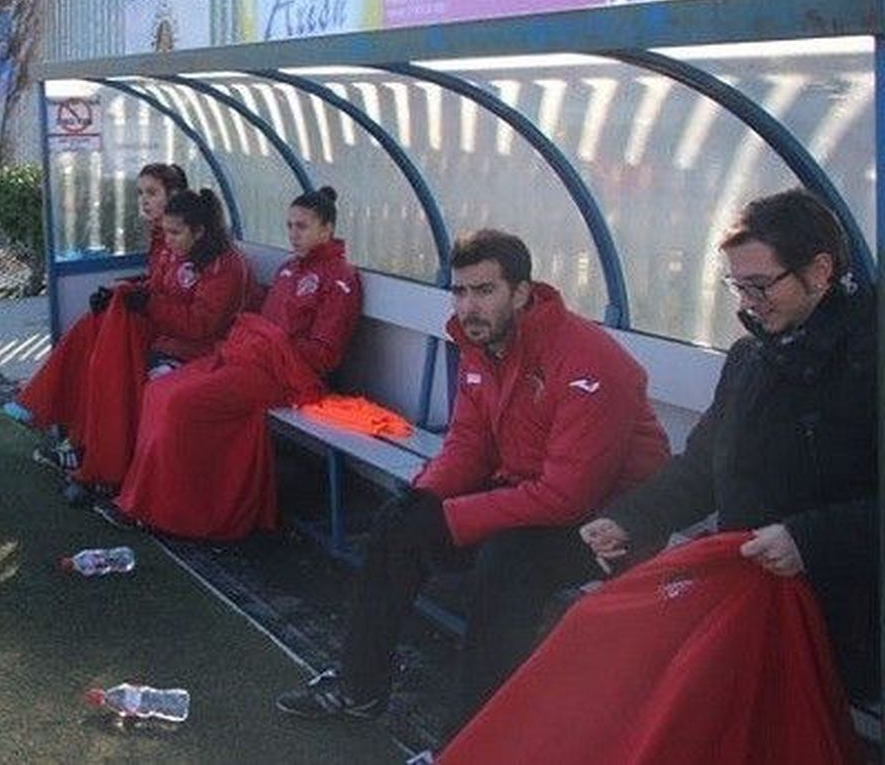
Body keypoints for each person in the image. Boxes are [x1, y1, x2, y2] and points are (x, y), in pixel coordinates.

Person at [277, 228, 669, 733]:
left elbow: (569, 497)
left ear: (523, 293)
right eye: (460, 291)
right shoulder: (483, 346)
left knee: (508, 561)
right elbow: (469, 442)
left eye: (484, 291)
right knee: (401, 521)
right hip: (527, 498)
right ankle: (359, 689)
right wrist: (426, 495)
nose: (468, 307)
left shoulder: (588, 362)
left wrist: (456, 516)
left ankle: (473, 736)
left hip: (613, 524)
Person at [582, 188, 878, 701]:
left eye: (761, 285)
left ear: (821, 271)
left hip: (845, 609)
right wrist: (631, 518)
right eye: (738, 287)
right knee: (613, 644)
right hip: (754, 591)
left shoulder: (869, 359)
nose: (747, 304)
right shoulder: (752, 359)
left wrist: (808, 541)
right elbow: (703, 468)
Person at [114, 187, 362, 540]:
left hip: (288, 377)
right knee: (159, 390)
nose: (293, 234)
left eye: (302, 227)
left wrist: (267, 344)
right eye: (290, 226)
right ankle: (144, 501)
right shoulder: (289, 270)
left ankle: (182, 514)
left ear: (327, 229)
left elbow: (324, 354)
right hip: (249, 358)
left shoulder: (341, 280)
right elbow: (264, 321)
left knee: (182, 404)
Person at [18, 162, 188, 476]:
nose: (144, 200)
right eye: (140, 193)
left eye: (152, 193)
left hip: (171, 335)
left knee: (101, 356)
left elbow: (185, 303)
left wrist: (133, 294)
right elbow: (158, 285)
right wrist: (127, 288)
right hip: (156, 323)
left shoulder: (183, 237)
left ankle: (81, 443)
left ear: (174, 195)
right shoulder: (161, 236)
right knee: (91, 331)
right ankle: (65, 427)